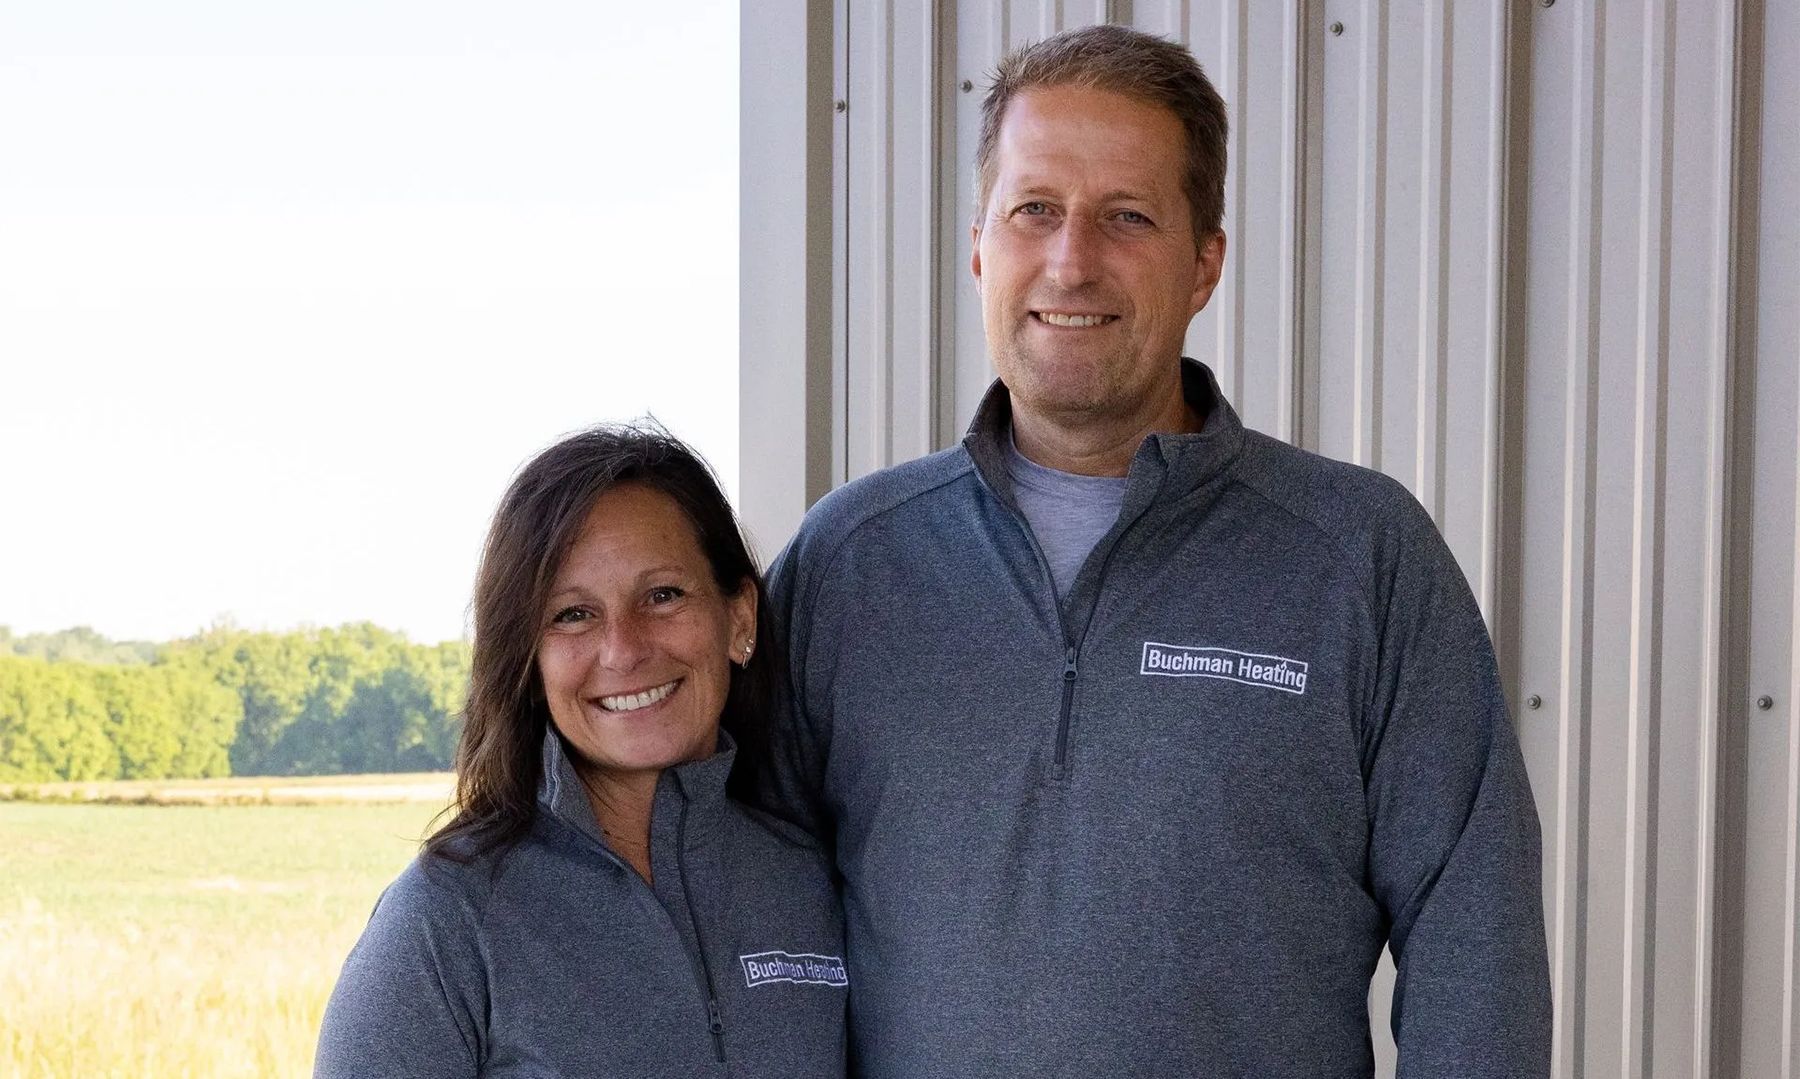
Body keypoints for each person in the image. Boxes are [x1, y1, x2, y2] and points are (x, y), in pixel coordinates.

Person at [762, 23, 1550, 1078]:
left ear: (1204, 264)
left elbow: (1477, 953)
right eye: (1035, 208)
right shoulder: (848, 564)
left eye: (1127, 216)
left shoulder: (1361, 557)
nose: (1072, 258)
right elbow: (739, 903)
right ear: (980, 246)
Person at [315, 425, 847, 1078]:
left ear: (738, 619)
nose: (623, 647)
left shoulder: (805, 880)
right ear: (528, 656)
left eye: (663, 594)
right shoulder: (448, 916)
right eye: (572, 614)